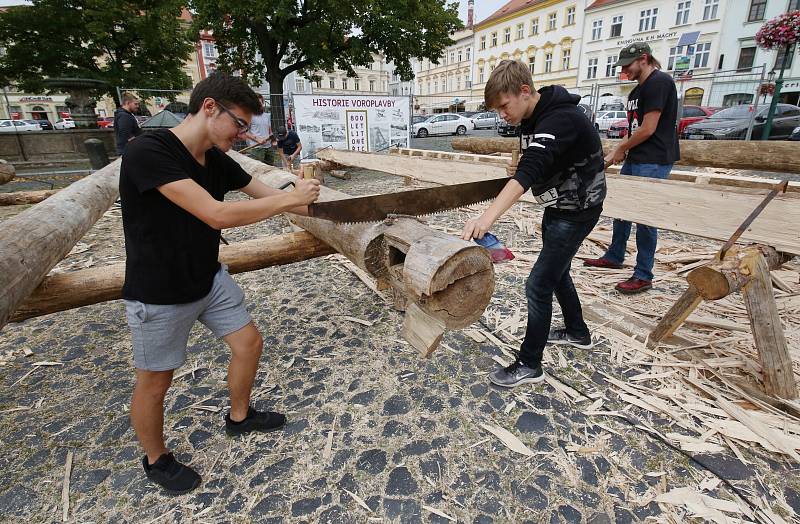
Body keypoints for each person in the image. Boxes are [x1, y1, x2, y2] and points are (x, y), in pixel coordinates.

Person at [120, 72, 320, 494]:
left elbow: (265, 193)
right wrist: (289, 199)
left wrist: (301, 192)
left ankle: (240, 417)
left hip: (207, 277)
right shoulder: (148, 152)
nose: (245, 135)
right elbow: (215, 214)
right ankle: (156, 460)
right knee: (155, 381)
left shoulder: (216, 157)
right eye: (241, 124)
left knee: (249, 343)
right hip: (158, 291)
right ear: (210, 107)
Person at [461, 60, 606, 388]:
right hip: (560, 207)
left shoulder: (562, 118)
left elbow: (530, 171)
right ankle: (577, 331)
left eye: (503, 106)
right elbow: (531, 163)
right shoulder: (533, 116)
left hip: (577, 210)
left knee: (537, 284)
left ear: (524, 91)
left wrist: (487, 218)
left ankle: (530, 363)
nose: (502, 115)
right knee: (557, 273)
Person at [583, 43, 680, 294]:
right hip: (637, 157)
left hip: (654, 159)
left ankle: (643, 274)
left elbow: (648, 128)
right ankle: (615, 255)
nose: (624, 70)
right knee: (622, 210)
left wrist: (621, 148)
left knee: (645, 217)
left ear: (644, 59)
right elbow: (635, 128)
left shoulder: (660, 83)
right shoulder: (637, 90)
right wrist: (623, 149)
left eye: (628, 65)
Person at [243, 94, 272, 162]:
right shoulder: (250, 116)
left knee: (271, 170)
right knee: (259, 171)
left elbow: (270, 131)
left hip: (268, 147)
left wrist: (273, 140)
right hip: (256, 148)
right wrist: (257, 139)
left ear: (263, 103)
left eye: (260, 103)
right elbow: (244, 131)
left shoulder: (267, 116)